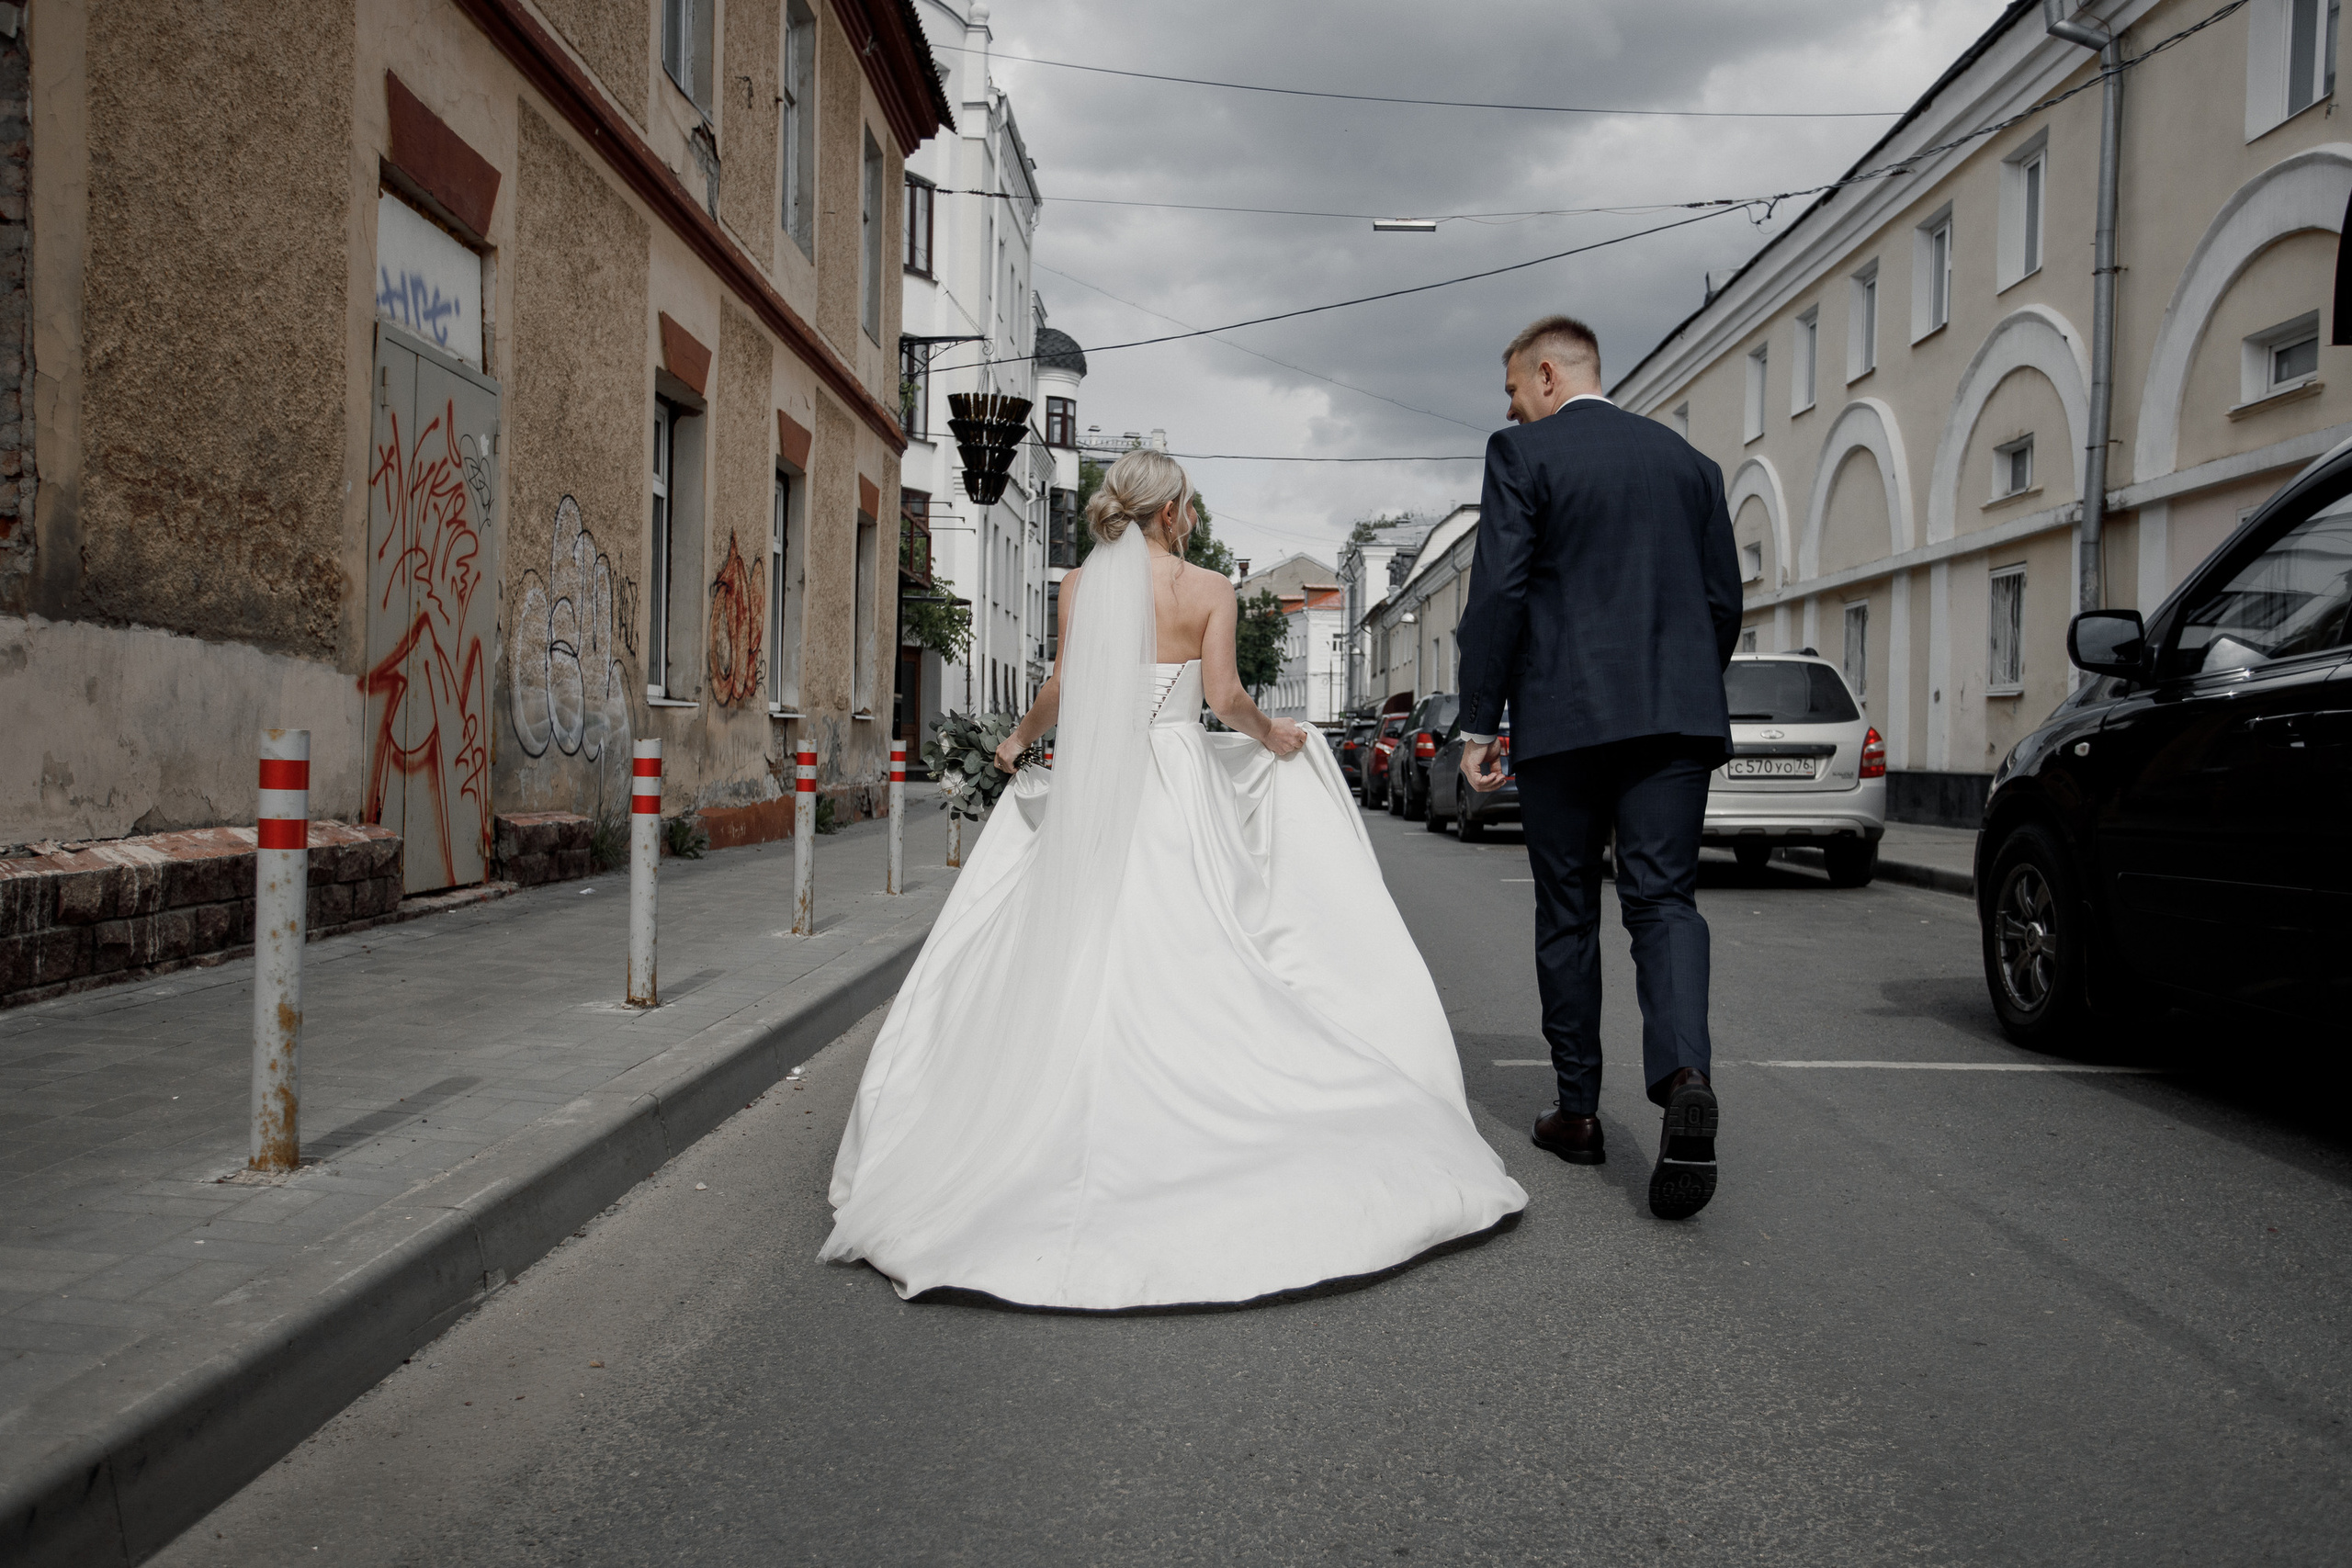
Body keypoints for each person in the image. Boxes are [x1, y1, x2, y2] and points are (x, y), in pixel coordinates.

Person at [820, 448, 1526, 1309]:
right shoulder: (1209, 590)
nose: (1191, 515)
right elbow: (1223, 696)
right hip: (1176, 781)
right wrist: (1272, 735)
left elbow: (1063, 685)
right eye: (1188, 503)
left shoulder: (1081, 585)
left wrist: (1015, 739)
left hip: (1100, 780)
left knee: (1084, 931)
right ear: (1170, 511)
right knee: (1194, 933)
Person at [1453, 315, 1741, 1222]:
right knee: (1664, 901)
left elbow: (1499, 591)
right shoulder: (1692, 469)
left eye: (1512, 388)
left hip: (1564, 719)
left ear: (1546, 374)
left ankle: (1577, 1112)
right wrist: (1679, 686)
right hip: (1674, 720)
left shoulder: (1521, 456)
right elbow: (1721, 604)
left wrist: (1478, 721)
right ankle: (1684, 1076)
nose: (1509, 408)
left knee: (1569, 910)